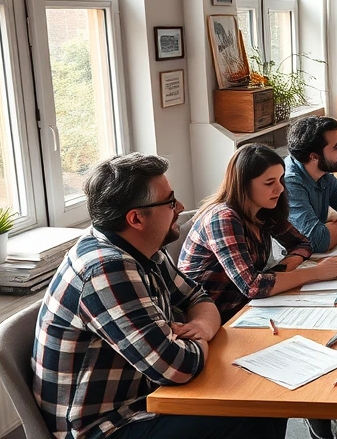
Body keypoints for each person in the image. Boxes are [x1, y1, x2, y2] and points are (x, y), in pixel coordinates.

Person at [32, 153, 285, 439]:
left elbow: (198, 298)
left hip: (147, 397)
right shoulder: (107, 269)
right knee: (252, 411)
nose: (180, 207)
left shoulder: (142, 246)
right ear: (136, 218)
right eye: (169, 201)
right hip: (107, 426)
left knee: (265, 397)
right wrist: (201, 337)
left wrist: (198, 327)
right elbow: (178, 367)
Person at [178, 144, 337, 323]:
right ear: (243, 185)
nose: (280, 189)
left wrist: (276, 274)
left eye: (280, 179)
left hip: (245, 308)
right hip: (213, 320)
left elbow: (302, 244)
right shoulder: (222, 219)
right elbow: (253, 286)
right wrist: (316, 272)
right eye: (269, 183)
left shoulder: (263, 209)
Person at [284, 116, 337, 253]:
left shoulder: (322, 173)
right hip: (286, 263)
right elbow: (319, 242)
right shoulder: (290, 182)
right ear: (314, 156)